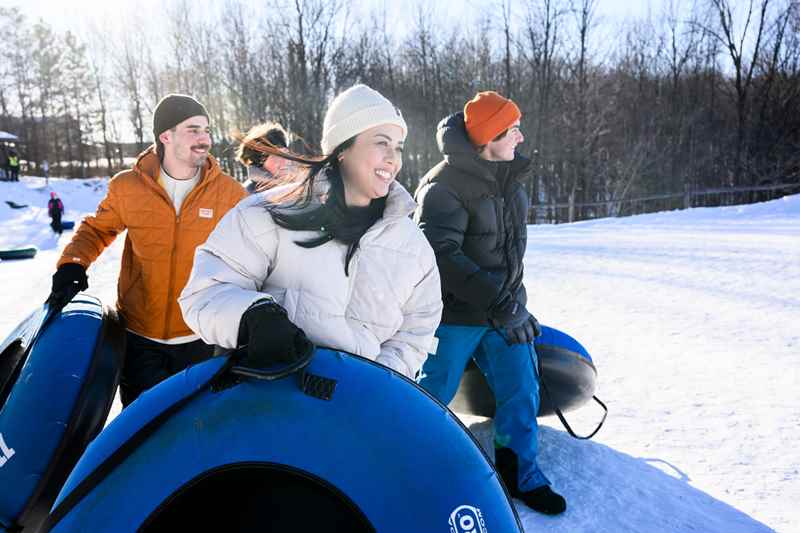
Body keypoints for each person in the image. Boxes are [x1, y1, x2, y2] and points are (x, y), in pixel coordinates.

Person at [180, 84, 442, 380]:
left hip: (361, 408)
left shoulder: (412, 245)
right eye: (381, 143)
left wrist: (376, 381)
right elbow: (204, 295)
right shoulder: (267, 214)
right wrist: (252, 316)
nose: (393, 158)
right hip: (274, 401)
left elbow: (417, 328)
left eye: (398, 147)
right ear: (342, 149)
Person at [413, 91, 566, 515]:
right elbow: (441, 253)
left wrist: (515, 302)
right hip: (453, 313)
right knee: (433, 395)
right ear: (488, 138)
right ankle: (418, 472)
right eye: (512, 129)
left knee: (521, 388)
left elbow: (510, 252)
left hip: (504, 310)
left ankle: (520, 475)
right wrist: (499, 300)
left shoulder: (510, 180)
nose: (520, 137)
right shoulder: (442, 185)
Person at [46, 94, 247, 406]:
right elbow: (97, 228)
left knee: (191, 428)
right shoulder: (128, 187)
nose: (204, 138)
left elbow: (254, 251)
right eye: (193, 129)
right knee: (139, 429)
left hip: (201, 336)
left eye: (206, 129)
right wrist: (73, 264)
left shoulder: (229, 193)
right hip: (139, 337)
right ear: (165, 136)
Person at [236, 122, 295, 194]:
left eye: (285, 154)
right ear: (260, 162)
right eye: (275, 157)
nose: (285, 161)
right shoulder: (248, 194)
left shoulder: (295, 186)